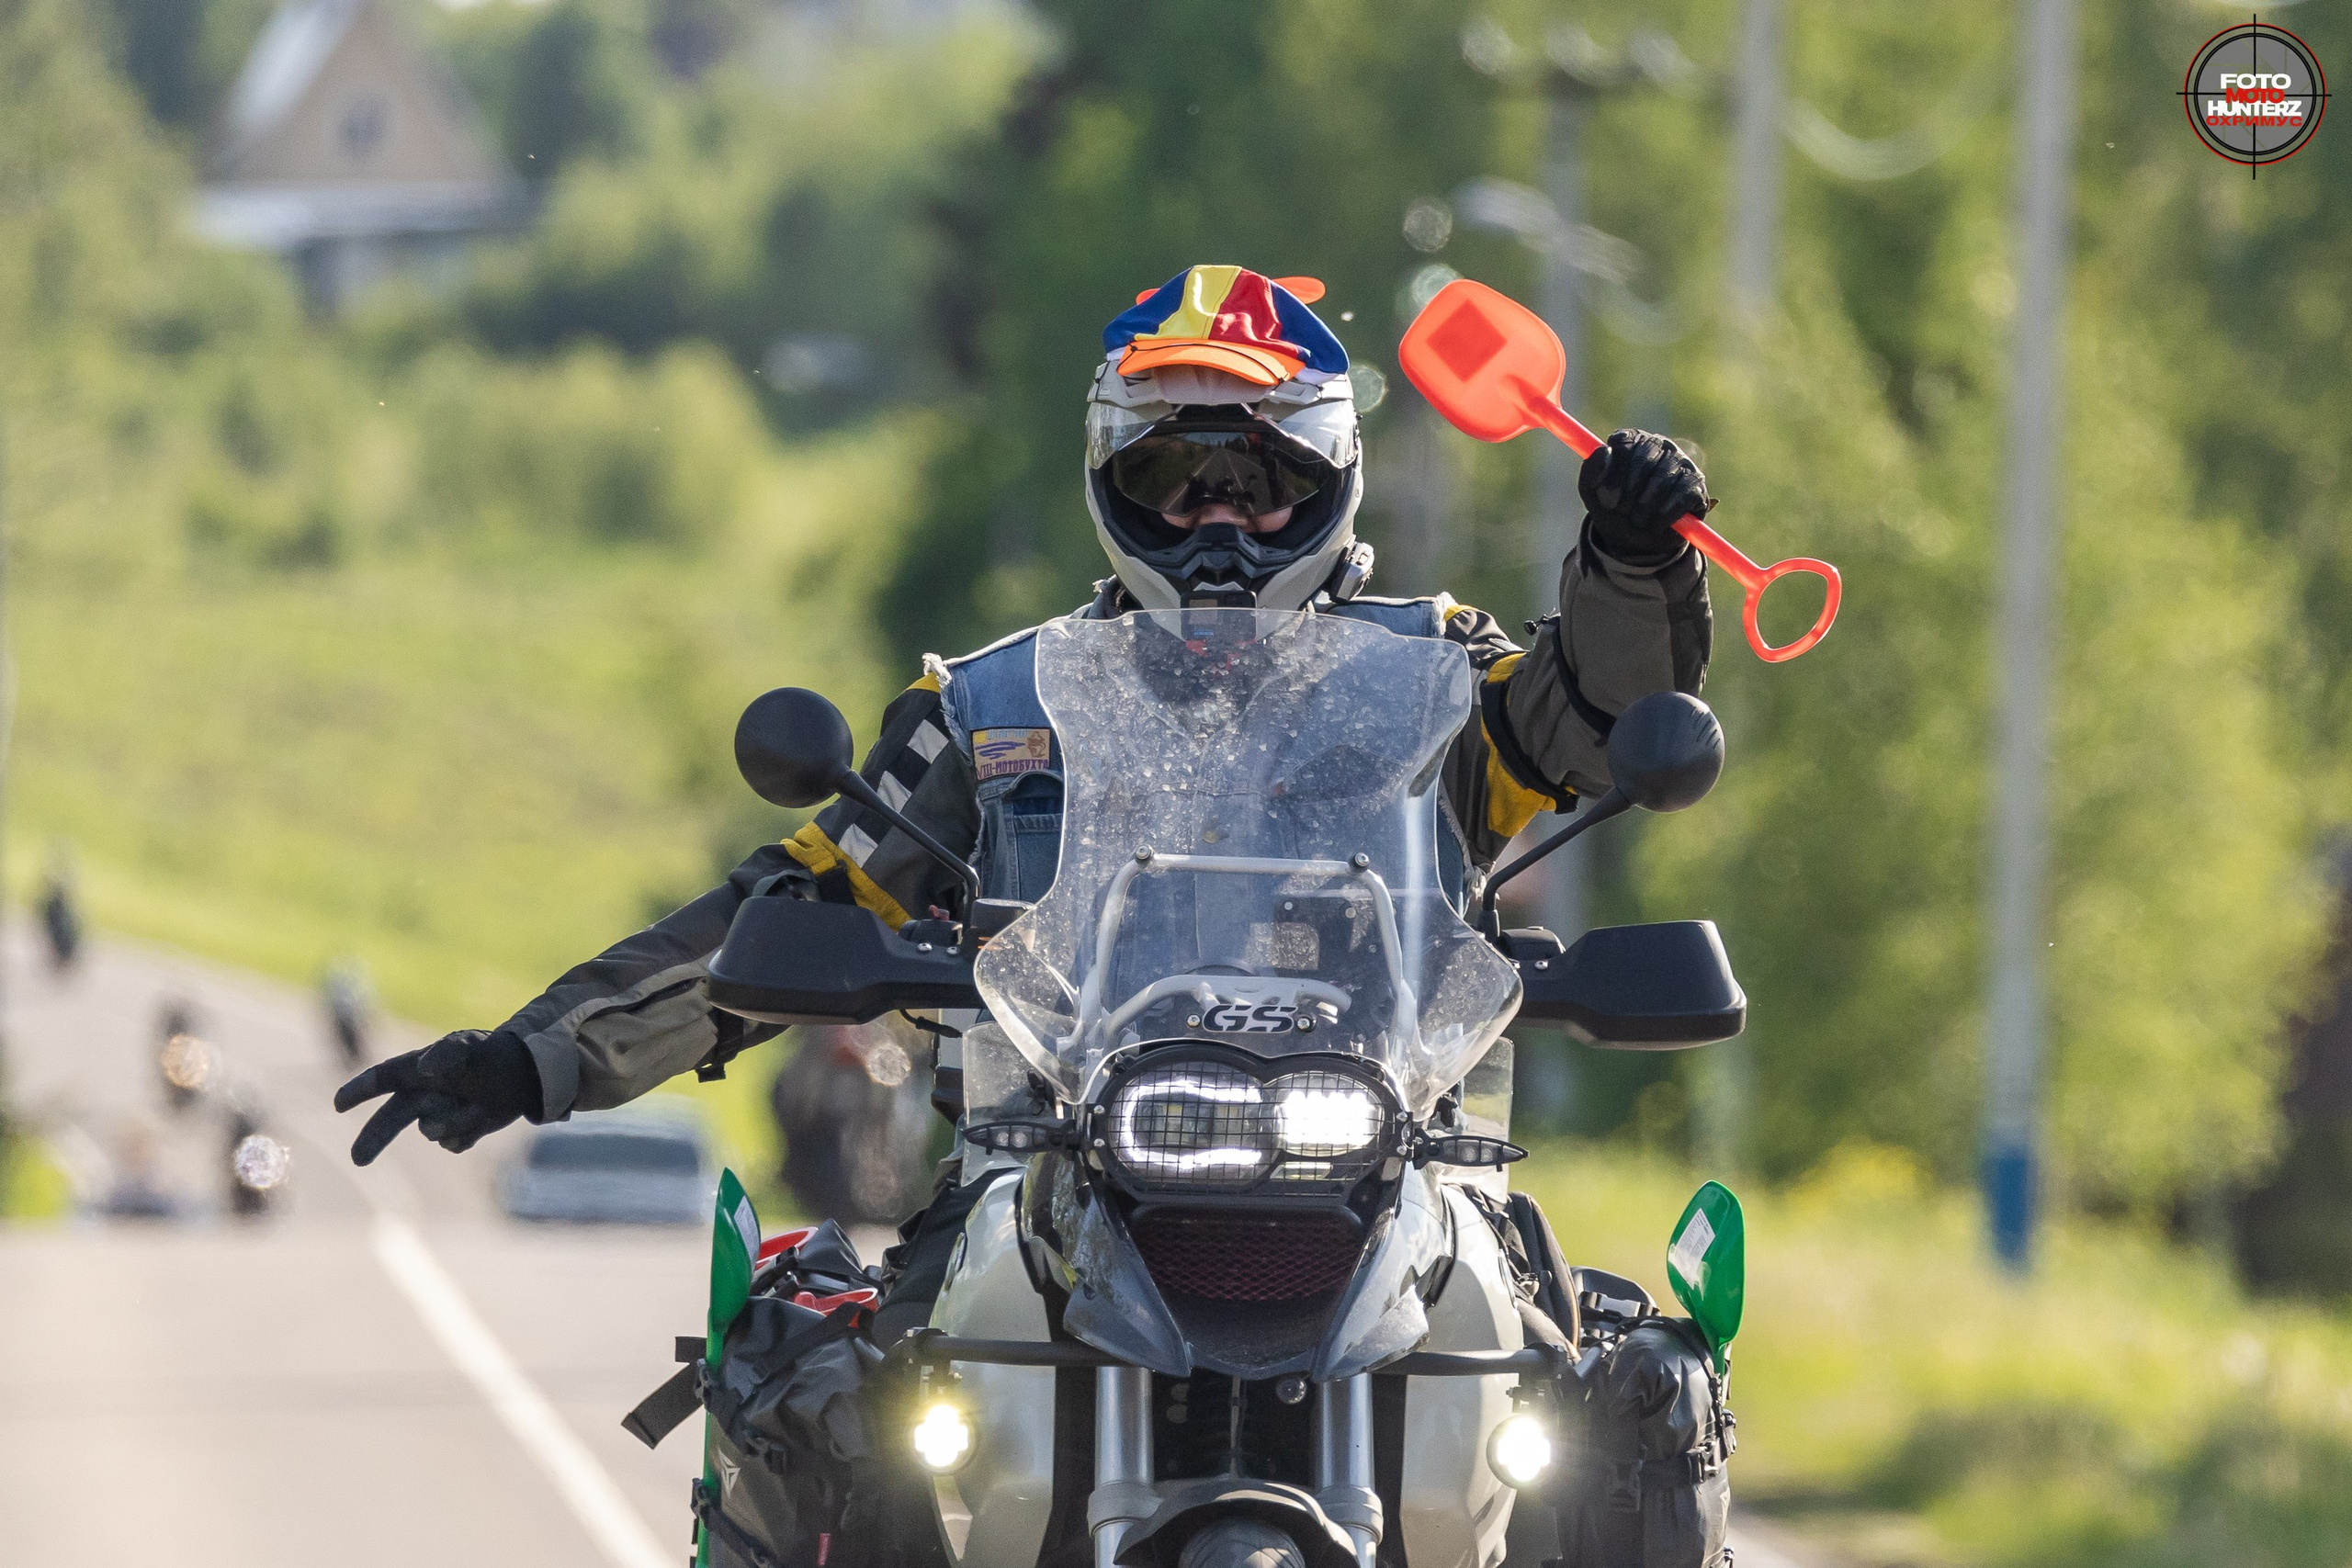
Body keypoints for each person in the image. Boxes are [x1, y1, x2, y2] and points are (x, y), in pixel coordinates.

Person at [334, 264, 1713, 1197]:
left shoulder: (1438, 683)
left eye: (1260, 475)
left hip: (1390, 1168)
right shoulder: (993, 706)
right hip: (1050, 1179)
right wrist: (530, 1055)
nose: (1217, 519)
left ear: (1332, 474)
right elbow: (794, 907)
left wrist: (1635, 561)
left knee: (1608, 1403)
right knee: (824, 1393)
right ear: (1112, 476)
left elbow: (1590, 718)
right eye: (1173, 479)